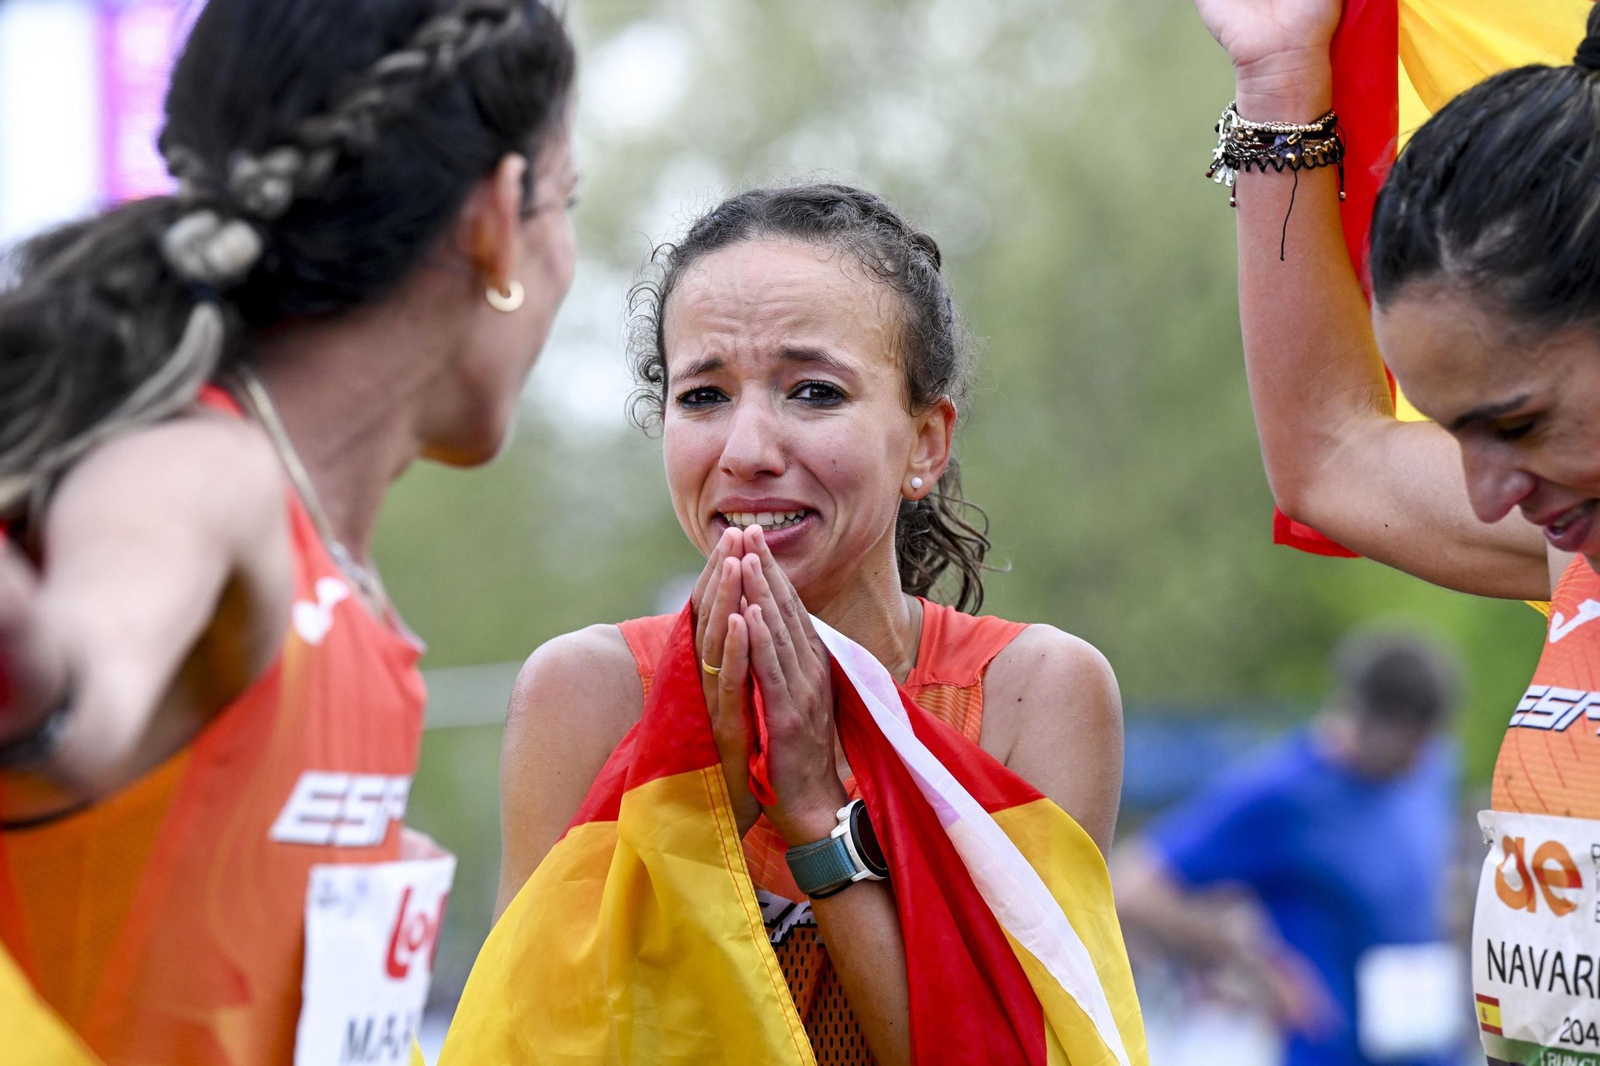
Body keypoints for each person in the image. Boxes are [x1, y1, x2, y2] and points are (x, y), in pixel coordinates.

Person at [0, 0, 576, 1061]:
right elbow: (79, 681)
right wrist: (42, 674)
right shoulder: (205, 471)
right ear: (498, 220)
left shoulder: (339, 570)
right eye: (568, 203)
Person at [483, 184, 1144, 1065]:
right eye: (705, 396)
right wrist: (702, 792)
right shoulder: (589, 693)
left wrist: (813, 809)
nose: (747, 449)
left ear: (926, 443)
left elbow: (1020, 1050)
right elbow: (536, 1040)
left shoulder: (1030, 694)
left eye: (814, 392)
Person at [1191, 0, 1600, 1062]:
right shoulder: (1580, 552)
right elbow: (1330, 452)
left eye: (1516, 421)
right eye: (1458, 432)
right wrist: (1280, 82)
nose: (1484, 493)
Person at [1115, 632, 1462, 1066]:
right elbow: (1133, 886)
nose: (1417, 761)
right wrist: (1255, 962)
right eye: (1407, 744)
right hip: (1330, 1050)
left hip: (1426, 1046)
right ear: (1360, 716)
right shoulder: (1283, 793)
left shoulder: (1433, 768)